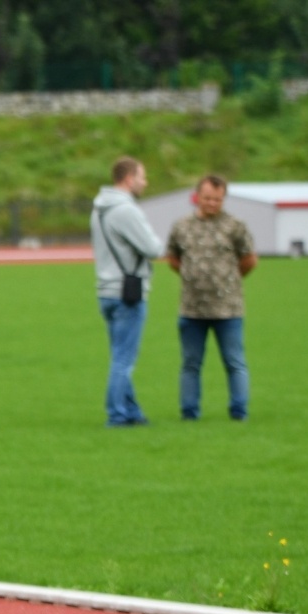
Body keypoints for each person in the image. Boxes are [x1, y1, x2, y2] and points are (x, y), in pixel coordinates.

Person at [165, 175, 257, 421]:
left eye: (217, 199)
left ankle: (239, 411)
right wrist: (191, 276)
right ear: (197, 196)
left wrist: (228, 281)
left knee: (234, 362)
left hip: (228, 309)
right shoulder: (182, 226)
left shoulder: (235, 226)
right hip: (191, 309)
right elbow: (172, 258)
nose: (212, 203)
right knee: (190, 364)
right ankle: (189, 412)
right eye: (207, 198)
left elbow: (249, 259)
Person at [91, 157, 166, 426]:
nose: (145, 182)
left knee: (119, 356)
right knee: (124, 359)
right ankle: (117, 413)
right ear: (129, 178)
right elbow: (153, 248)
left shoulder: (98, 208)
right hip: (128, 292)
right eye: (142, 177)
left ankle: (132, 411)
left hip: (105, 290)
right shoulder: (126, 210)